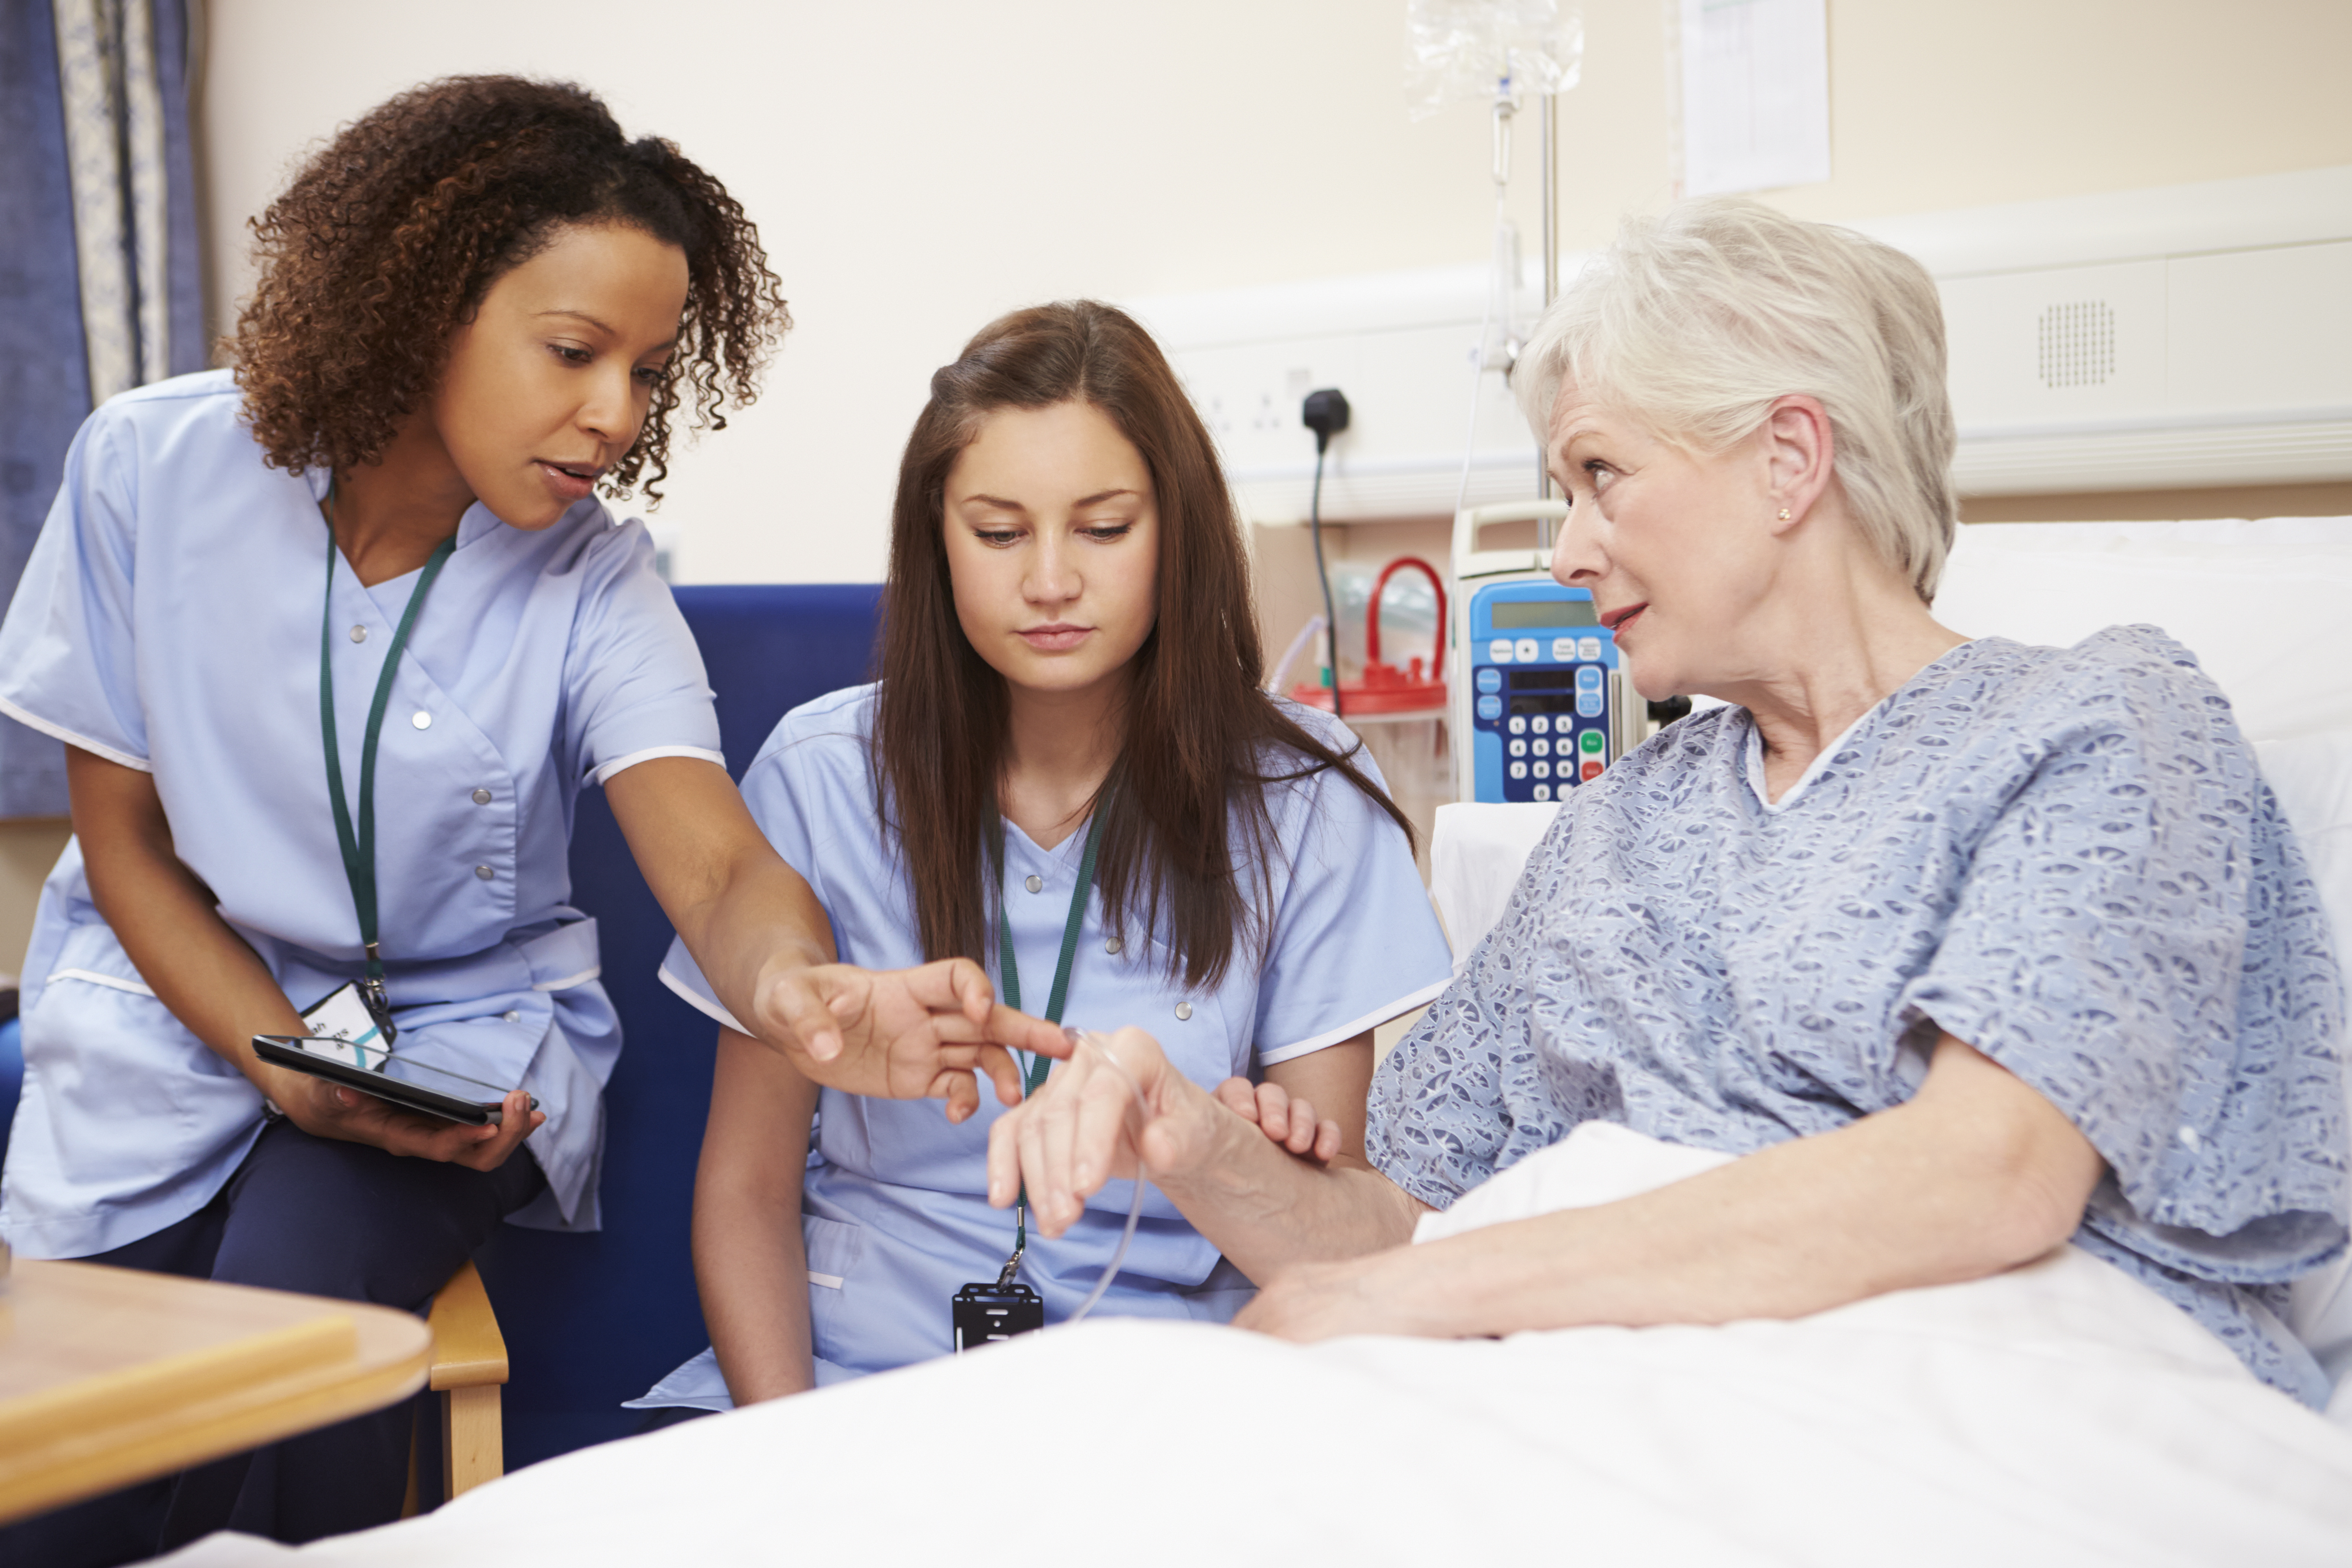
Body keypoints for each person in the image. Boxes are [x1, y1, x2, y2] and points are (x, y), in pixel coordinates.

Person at [988, 198, 2350, 1409]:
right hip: (1614, 1393)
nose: (1572, 550)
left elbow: (1989, 1174)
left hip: (1986, 1388)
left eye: (1600, 476)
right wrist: (1195, 1142)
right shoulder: (1617, 828)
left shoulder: (2101, 731)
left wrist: (1418, 1299)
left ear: (1788, 461)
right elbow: (1399, 1233)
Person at [0, 76, 1056, 1563]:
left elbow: (714, 852)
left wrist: (797, 991)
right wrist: (278, 1062)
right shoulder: (147, 469)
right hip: (172, 1016)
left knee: (300, 1307)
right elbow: (122, 843)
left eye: (647, 368)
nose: (617, 414)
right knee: (75, 1471)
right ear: (423, 302)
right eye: (573, 352)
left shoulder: (594, 581)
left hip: (449, 1058)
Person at [631, 301, 1453, 1408]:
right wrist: (794, 1460)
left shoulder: (1303, 793)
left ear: (1180, 530)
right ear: (938, 540)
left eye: (1105, 529)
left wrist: (1229, 1149)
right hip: (846, 1392)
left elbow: (1330, 1245)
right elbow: (745, 1189)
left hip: (1167, 1406)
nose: (1052, 580)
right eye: (1001, 532)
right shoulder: (822, 776)